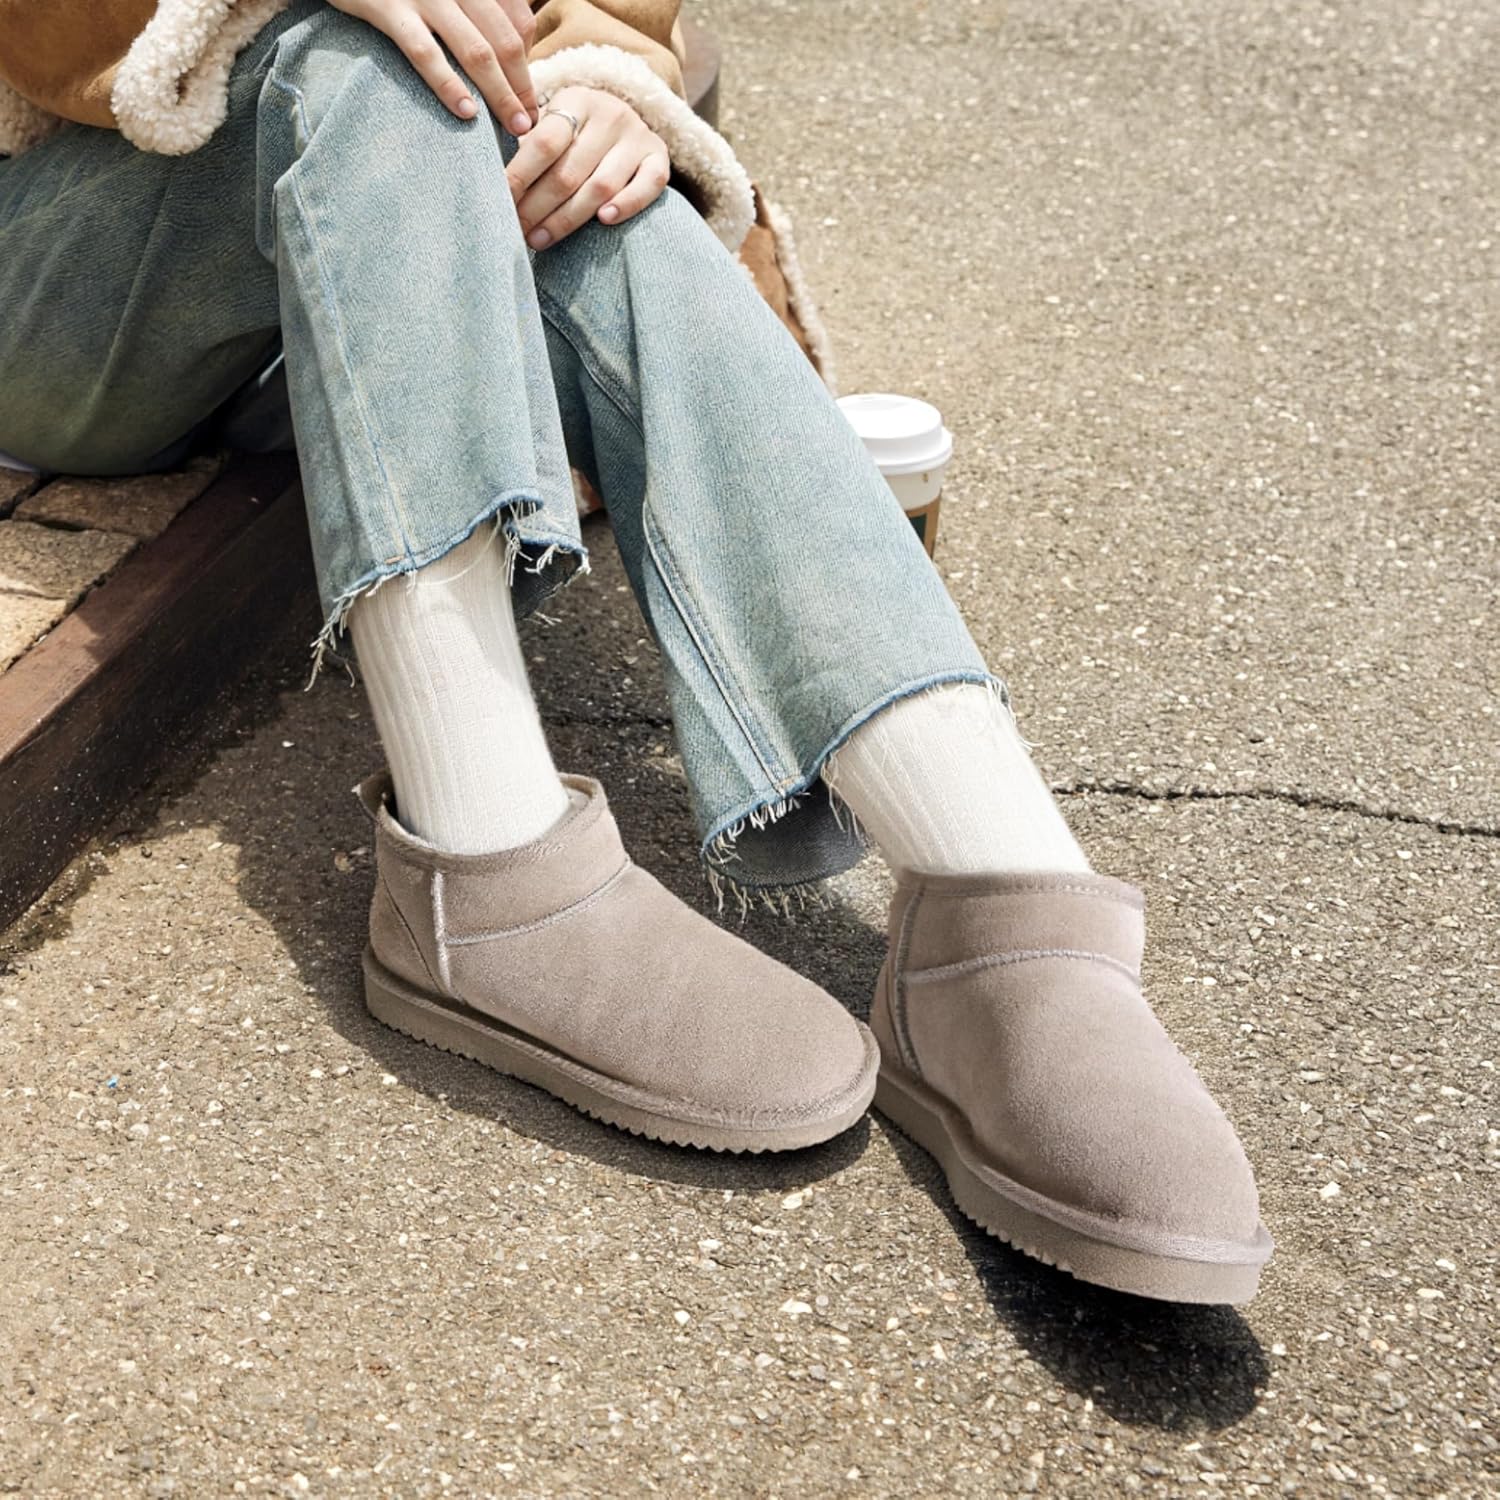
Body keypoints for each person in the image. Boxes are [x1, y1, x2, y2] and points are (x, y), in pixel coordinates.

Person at [0, 0, 1272, 1304]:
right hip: (62, 275)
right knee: (378, 64)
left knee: (577, 177)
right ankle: (485, 861)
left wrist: (596, 81)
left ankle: (1002, 912)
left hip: (339, 239)